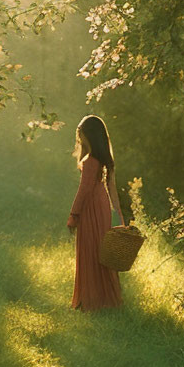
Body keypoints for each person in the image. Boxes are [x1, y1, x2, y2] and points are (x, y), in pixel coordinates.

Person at [66, 115, 124, 311]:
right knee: (101, 253)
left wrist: (73, 216)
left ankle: (91, 301)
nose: (80, 140)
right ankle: (104, 299)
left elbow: (84, 190)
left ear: (89, 136)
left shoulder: (91, 161)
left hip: (91, 207)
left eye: (81, 136)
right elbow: (112, 190)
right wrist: (120, 217)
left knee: (90, 251)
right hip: (102, 206)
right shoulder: (104, 160)